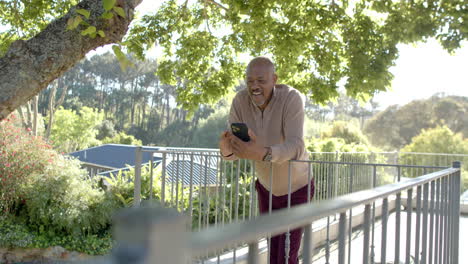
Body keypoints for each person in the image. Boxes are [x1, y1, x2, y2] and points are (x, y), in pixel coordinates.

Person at [219, 56, 314, 264]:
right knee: (274, 252)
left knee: (286, 254)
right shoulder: (239, 101)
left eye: (261, 81)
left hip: (298, 187)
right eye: (250, 81)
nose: (254, 86)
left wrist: (262, 153)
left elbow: (296, 146)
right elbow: (236, 152)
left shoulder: (291, 98)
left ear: (274, 79)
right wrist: (226, 151)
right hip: (266, 188)